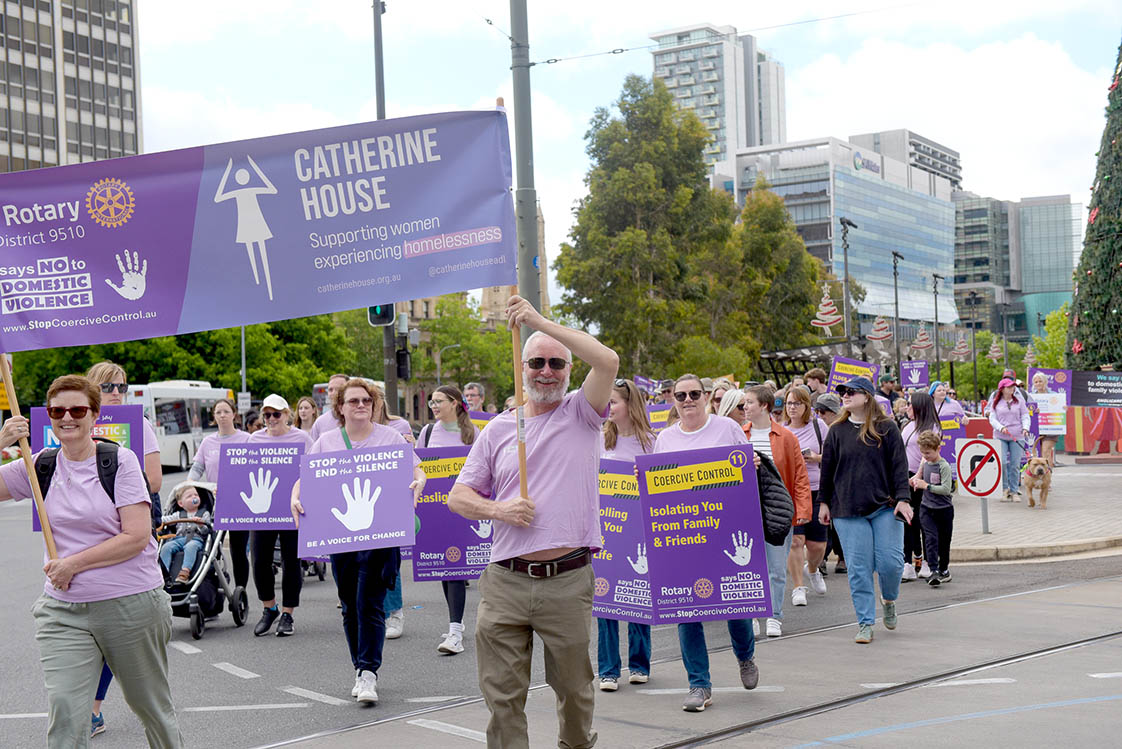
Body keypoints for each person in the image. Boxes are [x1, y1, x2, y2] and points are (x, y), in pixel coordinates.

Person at [448, 295, 618, 748]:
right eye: (537, 362)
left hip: (567, 579)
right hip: (505, 580)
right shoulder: (499, 430)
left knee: (575, 692)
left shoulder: (583, 413)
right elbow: (458, 497)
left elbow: (607, 360)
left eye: (557, 364)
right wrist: (498, 509)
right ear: (522, 368)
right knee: (502, 697)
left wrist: (539, 323)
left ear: (568, 370)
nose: (546, 371)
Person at [0, 375, 182, 747]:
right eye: (57, 410)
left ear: (94, 415)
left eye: (77, 409)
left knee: (150, 707)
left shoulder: (120, 461)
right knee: (66, 711)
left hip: (130, 605)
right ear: (48, 416)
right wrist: (1, 442)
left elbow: (135, 536)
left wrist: (72, 565)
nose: (67, 417)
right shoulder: (40, 466)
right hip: (63, 609)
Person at [292, 377, 426, 704]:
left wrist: (420, 481)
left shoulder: (391, 438)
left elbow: (417, 470)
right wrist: (295, 498)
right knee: (350, 605)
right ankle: (359, 668)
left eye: (366, 400)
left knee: (369, 603)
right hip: (342, 538)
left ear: (374, 404)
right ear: (341, 408)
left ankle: (369, 672)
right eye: (354, 401)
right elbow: (304, 480)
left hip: (381, 538)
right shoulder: (325, 442)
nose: (361, 405)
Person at [648, 374, 759, 712]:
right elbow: (657, 486)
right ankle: (699, 684)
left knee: (735, 607)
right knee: (686, 610)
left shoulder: (727, 429)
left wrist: (751, 465)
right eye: (680, 396)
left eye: (694, 393)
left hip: (725, 531)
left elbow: (746, 476)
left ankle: (745, 655)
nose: (687, 400)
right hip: (683, 535)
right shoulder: (664, 438)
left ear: (707, 396)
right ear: (674, 401)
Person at [84, 360, 164, 733]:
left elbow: (154, 480)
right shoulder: (74, 423)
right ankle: (90, 707)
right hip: (84, 538)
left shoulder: (139, 425)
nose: (117, 393)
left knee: (116, 631)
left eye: (122, 387)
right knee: (89, 630)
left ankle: (95, 708)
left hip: (124, 536)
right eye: (109, 387)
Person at [818, 376, 912, 644]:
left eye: (851, 392)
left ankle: (889, 599)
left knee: (891, 564)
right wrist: (823, 502)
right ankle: (865, 622)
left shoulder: (887, 428)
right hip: (847, 509)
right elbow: (828, 470)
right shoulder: (836, 431)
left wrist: (903, 498)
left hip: (885, 506)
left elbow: (898, 466)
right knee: (859, 568)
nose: (844, 396)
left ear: (867, 396)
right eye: (842, 392)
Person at [596, 379, 655, 692]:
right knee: (604, 598)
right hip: (604, 529)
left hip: (639, 529)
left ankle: (639, 663)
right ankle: (607, 669)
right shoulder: (599, 439)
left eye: (613, 402)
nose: (608, 408)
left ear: (630, 405)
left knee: (637, 595)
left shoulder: (651, 443)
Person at [742, 384, 811, 638]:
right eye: (744, 403)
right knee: (748, 566)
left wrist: (802, 508)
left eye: (749, 402)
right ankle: (751, 614)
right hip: (746, 510)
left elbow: (800, 476)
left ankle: (774, 615)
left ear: (764, 406)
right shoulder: (740, 434)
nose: (745, 407)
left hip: (777, 510)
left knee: (776, 566)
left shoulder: (786, 437)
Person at [418, 385, 480, 656]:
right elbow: (418, 467)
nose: (433, 406)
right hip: (435, 511)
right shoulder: (428, 432)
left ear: (455, 403)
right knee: (444, 569)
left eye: (438, 401)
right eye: (431, 402)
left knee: (455, 570)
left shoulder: (473, 434)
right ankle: (455, 624)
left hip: (462, 510)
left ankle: (455, 630)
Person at [249, 394, 313, 637]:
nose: (271, 419)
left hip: (293, 509)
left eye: (276, 414)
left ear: (287, 414)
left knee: (290, 561)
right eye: (267, 415)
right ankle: (269, 607)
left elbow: (312, 469)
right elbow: (244, 471)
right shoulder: (255, 439)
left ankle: (288, 613)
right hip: (263, 510)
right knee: (260, 560)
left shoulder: (302, 438)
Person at [188, 399, 251, 589]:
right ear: (214, 417)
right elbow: (196, 470)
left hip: (239, 502)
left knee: (238, 551)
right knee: (210, 549)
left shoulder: (247, 439)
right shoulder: (208, 442)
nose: (222, 415)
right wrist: (189, 485)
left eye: (225, 411)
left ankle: (241, 591)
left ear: (234, 414)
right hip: (214, 502)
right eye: (218, 412)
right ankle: (212, 589)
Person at [782, 386, 830, 606]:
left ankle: (812, 570)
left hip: (817, 488)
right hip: (792, 490)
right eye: (789, 403)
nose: (792, 408)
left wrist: (815, 458)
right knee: (795, 541)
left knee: (817, 545)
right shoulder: (781, 430)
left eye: (797, 404)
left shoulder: (819, 427)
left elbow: (833, 456)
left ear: (806, 406)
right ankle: (798, 587)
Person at [373, 384, 414, 639]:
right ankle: (374, 610)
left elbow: (412, 462)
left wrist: (411, 447)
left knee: (390, 560)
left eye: (370, 400)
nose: (364, 406)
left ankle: (395, 611)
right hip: (363, 501)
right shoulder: (349, 432)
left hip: (390, 500)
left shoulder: (398, 427)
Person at [900, 392, 940, 581]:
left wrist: (918, 475)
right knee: (908, 521)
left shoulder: (932, 427)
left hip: (924, 477)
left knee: (925, 521)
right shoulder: (908, 426)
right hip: (906, 477)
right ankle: (907, 562)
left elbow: (927, 455)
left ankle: (927, 562)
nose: (907, 408)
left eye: (911, 405)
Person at [910, 431, 954, 586]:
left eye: (928, 453)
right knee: (930, 538)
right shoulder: (925, 463)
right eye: (922, 452)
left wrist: (926, 486)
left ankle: (944, 569)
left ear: (938, 449)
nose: (925, 456)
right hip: (926, 508)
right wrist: (914, 481)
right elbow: (918, 476)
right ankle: (933, 570)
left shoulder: (944, 466)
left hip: (944, 509)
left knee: (944, 541)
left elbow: (947, 489)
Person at [988, 378, 1031, 502]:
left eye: (1013, 386)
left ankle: (1014, 491)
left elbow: (1025, 416)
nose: (1012, 389)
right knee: (1001, 462)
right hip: (1000, 436)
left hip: (1017, 436)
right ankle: (1004, 489)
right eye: (1009, 387)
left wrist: (1025, 428)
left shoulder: (1019, 401)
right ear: (1002, 389)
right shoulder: (996, 403)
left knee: (1015, 464)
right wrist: (1000, 427)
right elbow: (992, 418)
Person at [1030, 372, 1059, 468]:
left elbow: (1060, 409)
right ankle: (1042, 476)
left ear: (1045, 382)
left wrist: (1063, 407)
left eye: (1040, 381)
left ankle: (1047, 475)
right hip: (1036, 428)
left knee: (1046, 451)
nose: (1038, 384)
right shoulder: (1030, 397)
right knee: (1039, 453)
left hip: (1050, 428)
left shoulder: (1054, 395)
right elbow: (1027, 412)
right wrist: (1033, 411)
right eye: (1036, 382)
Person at [311, 374, 349, 441]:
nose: (333, 393)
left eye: (339, 389)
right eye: (330, 390)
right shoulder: (320, 423)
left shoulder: (361, 420)